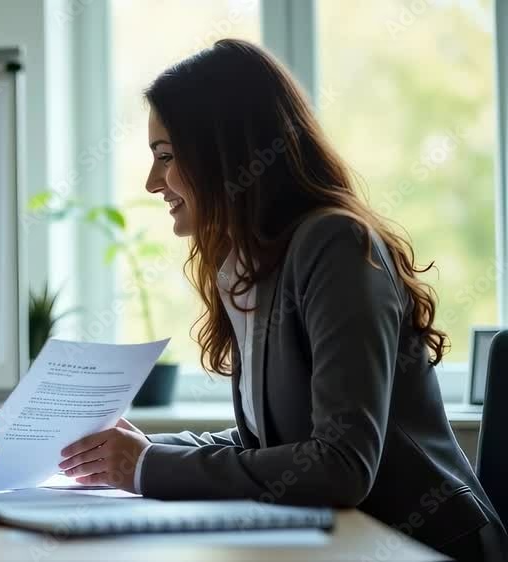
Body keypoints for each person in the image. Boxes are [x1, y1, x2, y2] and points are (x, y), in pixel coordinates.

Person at [58, 39, 507, 561]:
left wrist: (144, 465)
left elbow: (340, 466)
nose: (153, 182)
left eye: (166, 156)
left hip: (429, 547)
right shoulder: (254, 266)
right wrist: (145, 451)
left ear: (224, 151)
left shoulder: (334, 243)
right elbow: (269, 446)